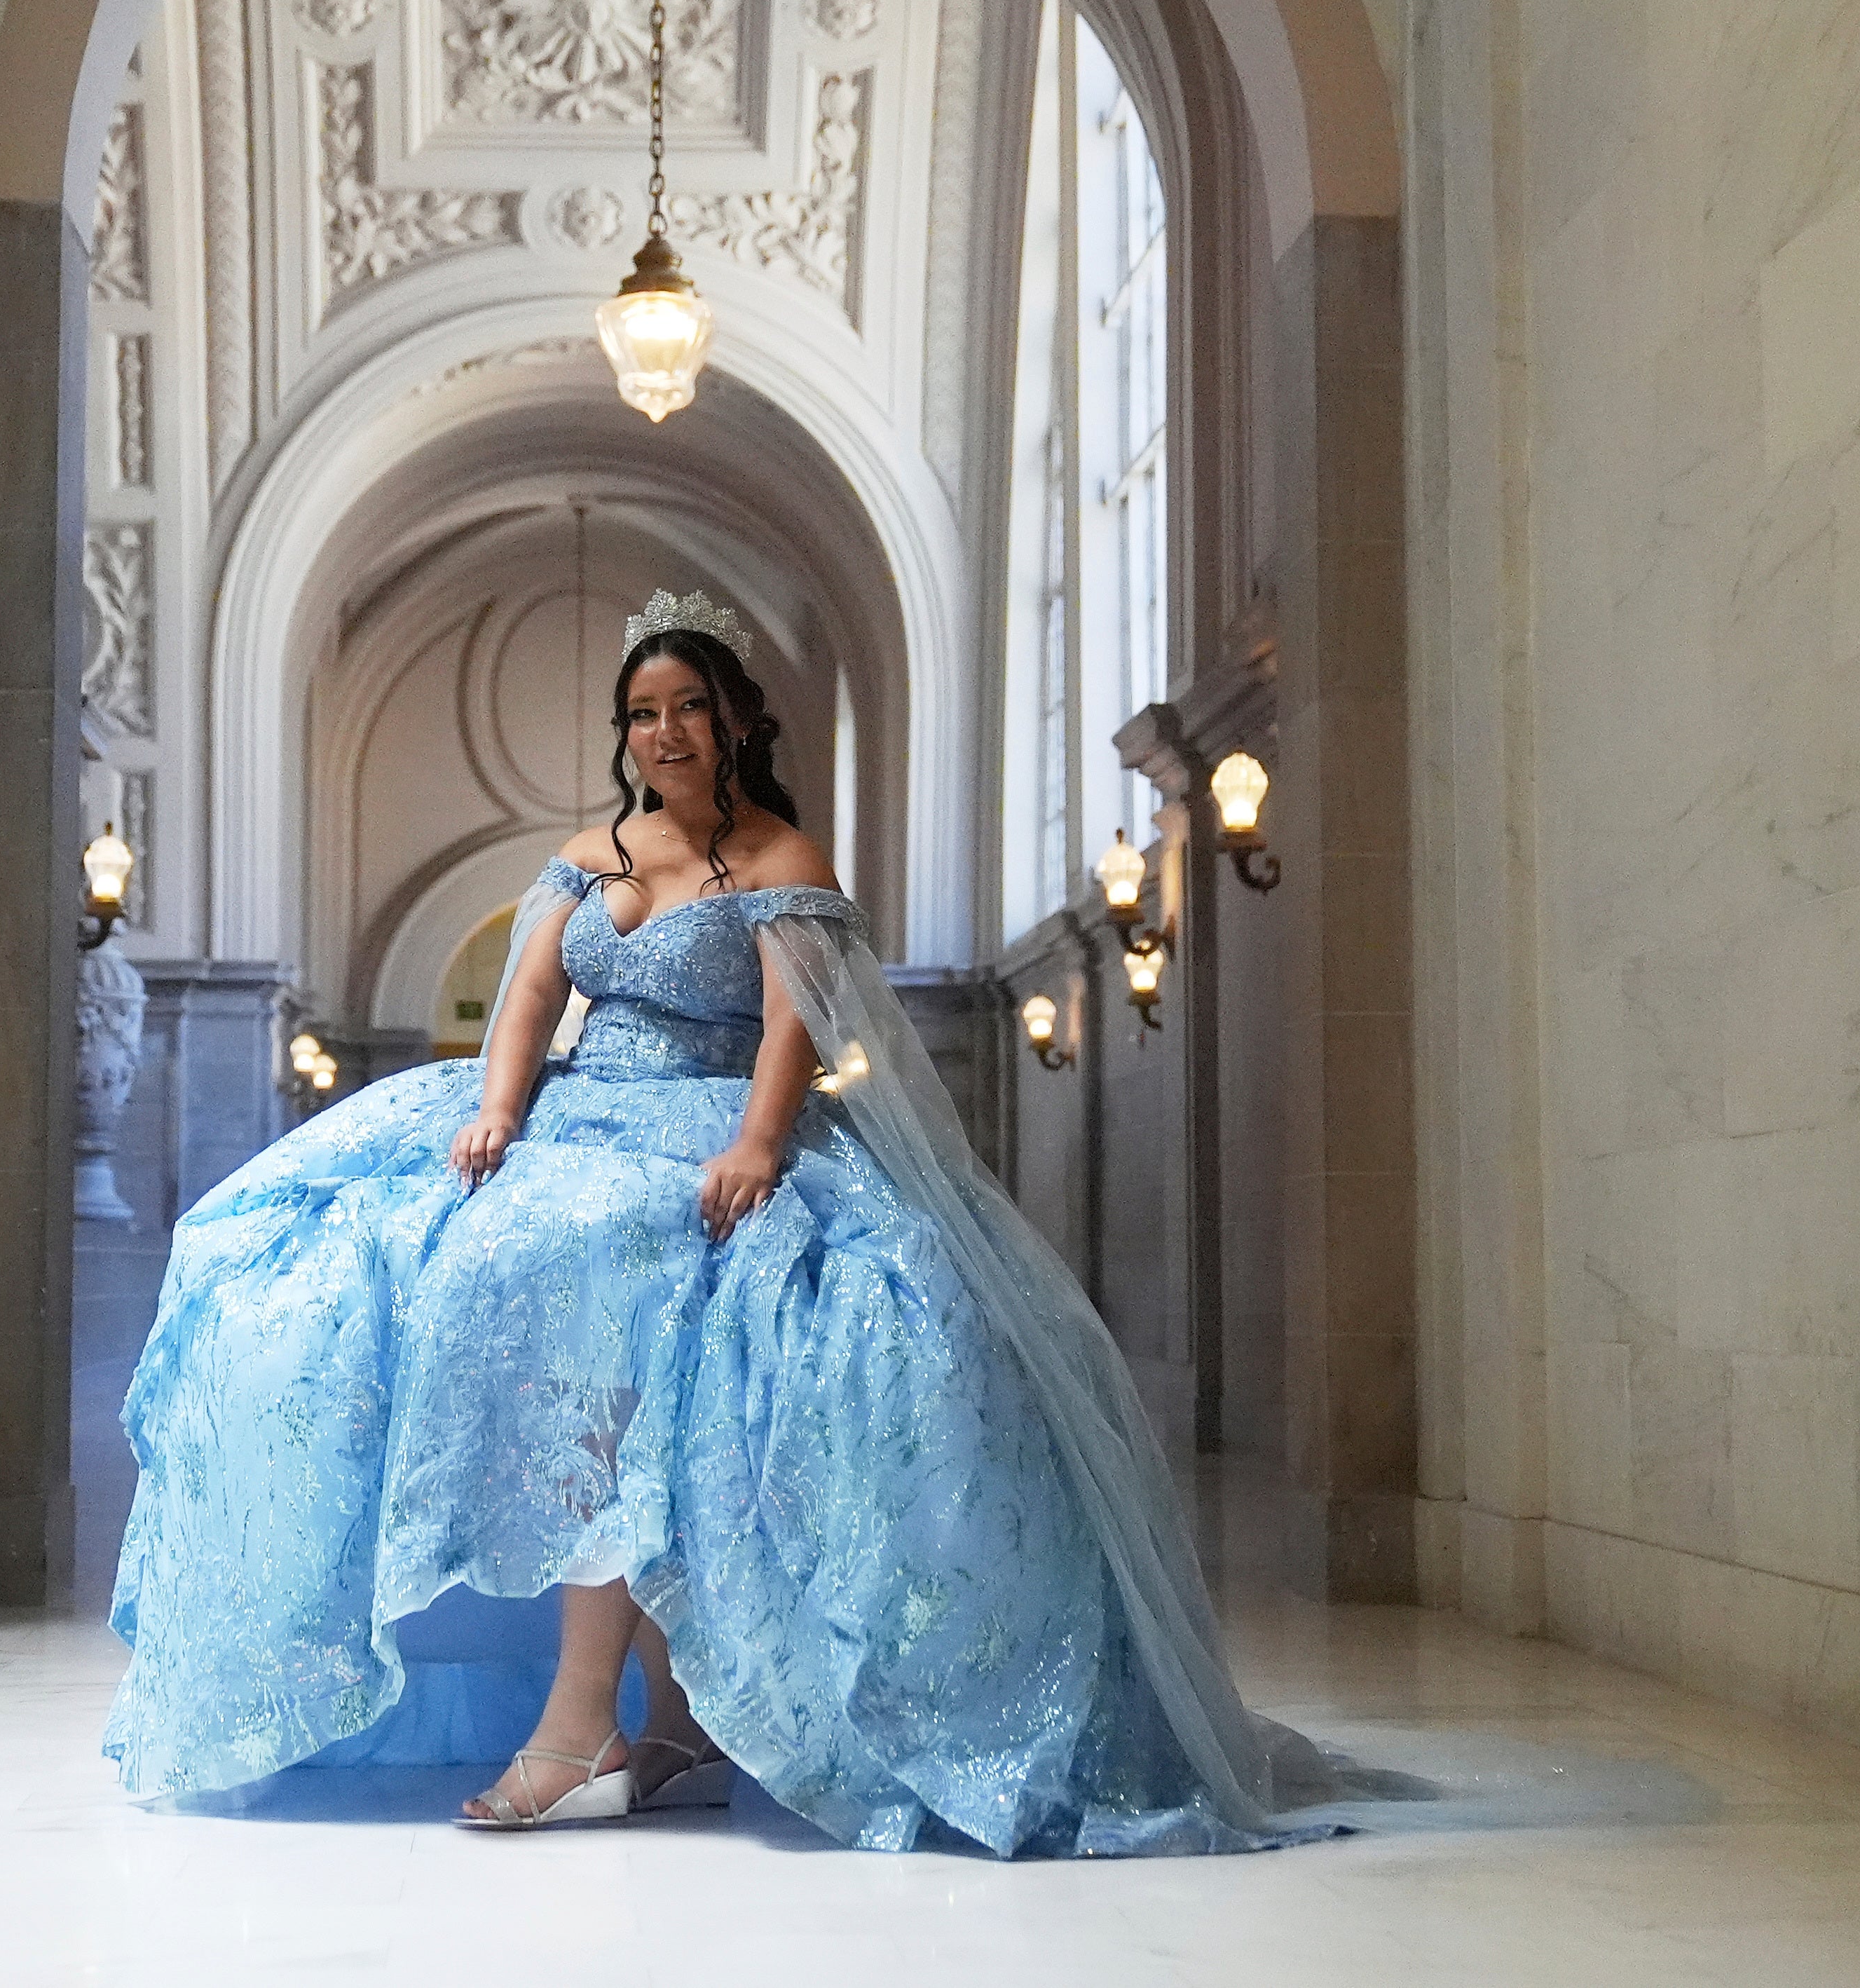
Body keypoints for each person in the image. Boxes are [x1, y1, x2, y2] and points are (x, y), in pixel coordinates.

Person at [101, 590, 1364, 1853]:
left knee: (653, 1311)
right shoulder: (590, 853)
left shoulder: (779, 859)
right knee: (319, 1249)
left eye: (688, 707)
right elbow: (536, 988)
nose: (664, 733)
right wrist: (496, 1106)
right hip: (581, 1106)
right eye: (642, 714)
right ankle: (668, 1726)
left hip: (716, 1115)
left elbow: (789, 1020)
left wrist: (758, 1144)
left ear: (737, 719)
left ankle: (590, 1722)